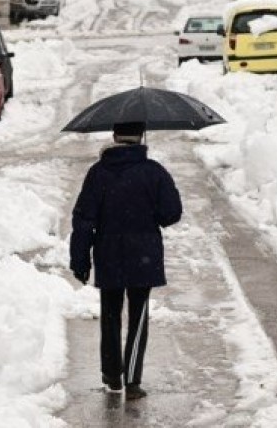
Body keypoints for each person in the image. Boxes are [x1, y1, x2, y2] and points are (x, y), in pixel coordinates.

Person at [69, 120, 183, 400]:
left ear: (115, 136)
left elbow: (83, 219)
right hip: (143, 255)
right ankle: (133, 381)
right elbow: (172, 214)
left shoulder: (98, 173)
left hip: (108, 253)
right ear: (141, 136)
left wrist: (80, 259)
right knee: (138, 317)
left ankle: (112, 375)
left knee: (110, 315)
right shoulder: (154, 172)